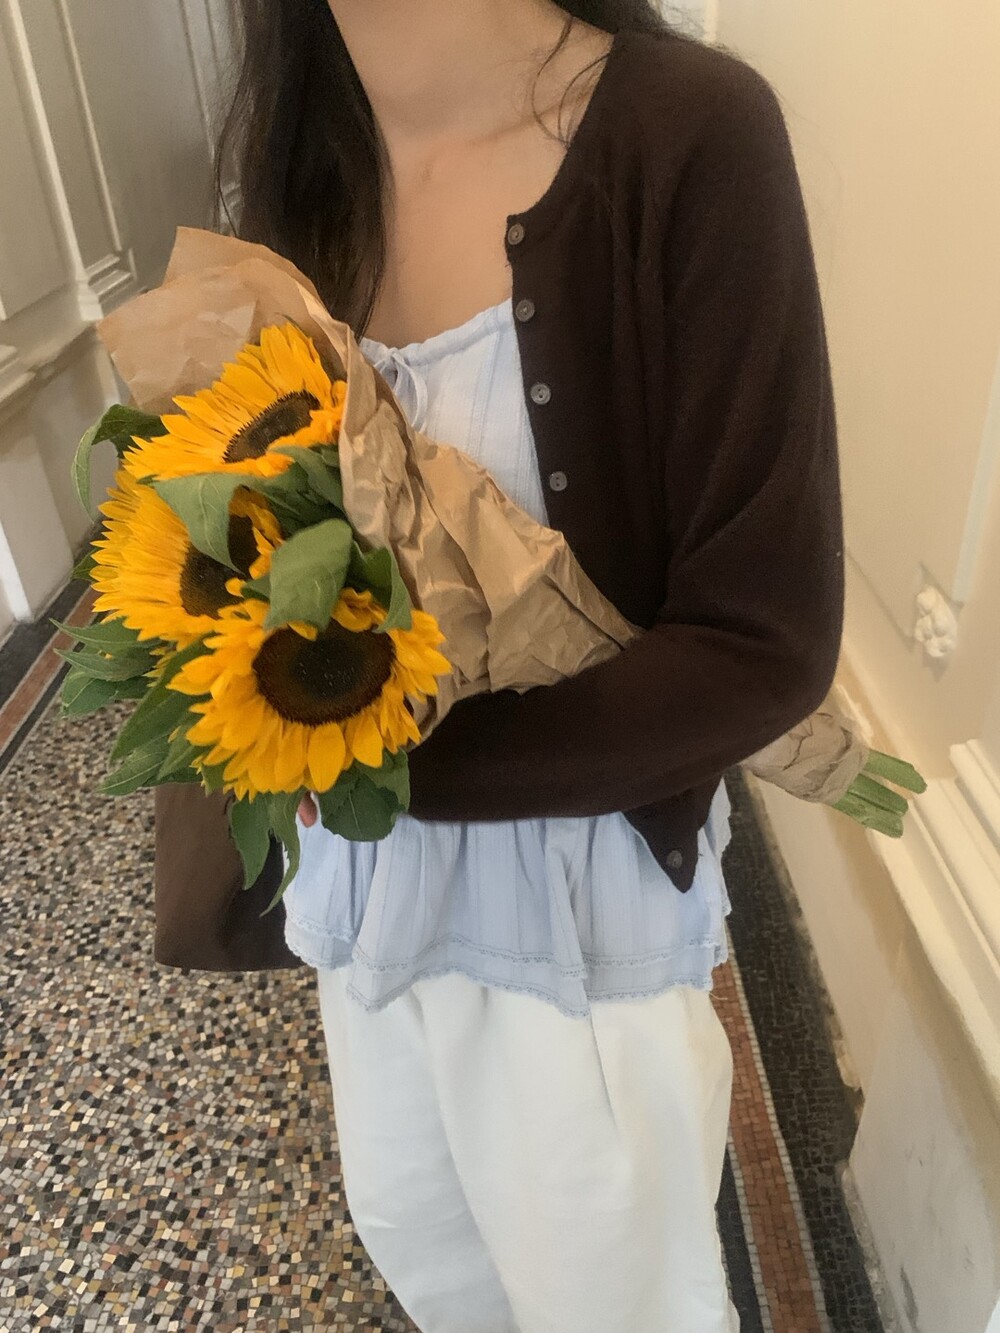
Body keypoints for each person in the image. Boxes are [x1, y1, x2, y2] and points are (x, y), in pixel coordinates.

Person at [215, 1, 844, 1329]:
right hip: (365, 919)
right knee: (430, 1257)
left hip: (572, 941)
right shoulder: (302, 171)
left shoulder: (687, 136)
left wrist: (374, 757)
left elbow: (762, 640)